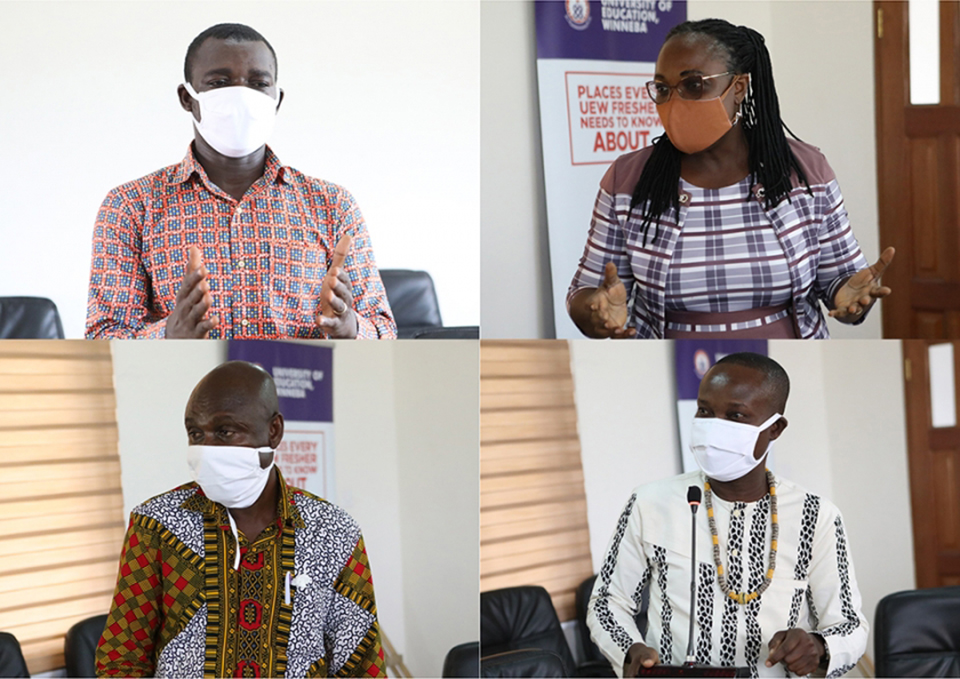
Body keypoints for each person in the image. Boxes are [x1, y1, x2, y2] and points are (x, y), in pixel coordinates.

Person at [568, 19, 894, 339]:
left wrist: (852, 300)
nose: (674, 103)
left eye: (694, 85)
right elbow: (586, 292)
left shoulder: (805, 172)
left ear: (738, 87)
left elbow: (842, 282)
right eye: (664, 89)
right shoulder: (628, 180)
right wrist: (593, 312)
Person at [85, 23, 396, 339]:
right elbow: (103, 337)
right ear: (187, 98)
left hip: (300, 387)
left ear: (277, 99)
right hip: (186, 388)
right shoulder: (130, 206)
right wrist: (167, 336)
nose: (242, 96)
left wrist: (350, 328)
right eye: (219, 82)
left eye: (258, 83)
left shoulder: (332, 205)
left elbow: (385, 330)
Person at [96, 361, 384, 677]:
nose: (205, 450)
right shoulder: (155, 525)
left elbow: (361, 663)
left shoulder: (333, 531)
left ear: (273, 431)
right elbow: (121, 659)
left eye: (225, 432)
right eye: (195, 433)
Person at [587, 353, 867, 678]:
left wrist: (819, 647)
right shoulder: (650, 502)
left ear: (774, 428)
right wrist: (628, 651)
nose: (713, 427)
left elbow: (849, 624)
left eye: (735, 416)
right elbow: (608, 602)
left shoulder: (816, 516)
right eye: (705, 411)